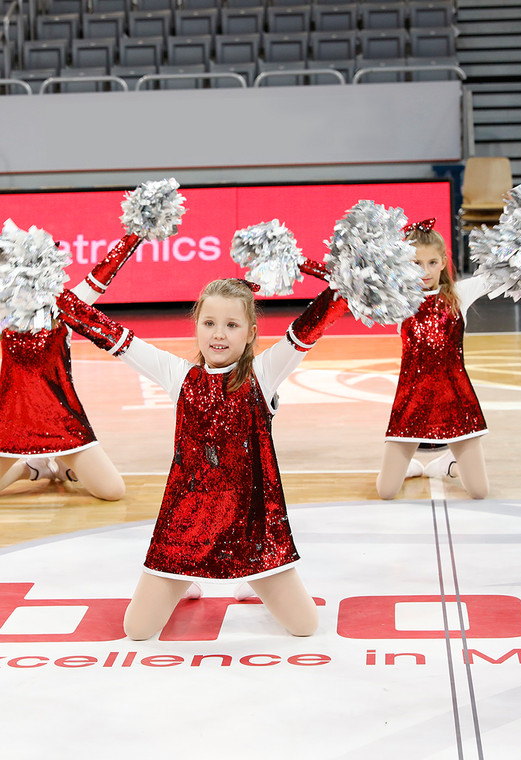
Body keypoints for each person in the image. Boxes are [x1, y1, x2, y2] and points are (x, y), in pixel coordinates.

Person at [55, 278, 350, 640]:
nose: (218, 335)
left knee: (305, 627)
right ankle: (189, 578)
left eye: (231, 325)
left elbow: (309, 326)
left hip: (253, 531)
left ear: (250, 331)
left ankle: (248, 578)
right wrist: (55, 296)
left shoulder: (263, 373)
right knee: (137, 630)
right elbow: (118, 339)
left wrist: (347, 284)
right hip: (185, 529)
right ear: (196, 325)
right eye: (209, 323)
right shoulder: (180, 376)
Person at [0, 234, 142, 501]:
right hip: (11, 420)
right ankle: (32, 469)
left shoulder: (64, 306)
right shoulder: (3, 312)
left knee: (112, 491)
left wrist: (137, 233)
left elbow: (102, 275)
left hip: (62, 420)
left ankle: (64, 464)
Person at [375, 219, 490, 501]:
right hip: (411, 402)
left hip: (457, 401)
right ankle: (411, 466)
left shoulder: (459, 295)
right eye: (416, 263)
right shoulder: (396, 302)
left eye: (431, 262)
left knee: (479, 492)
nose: (425, 271)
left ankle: (448, 464)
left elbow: (499, 275)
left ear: (443, 262)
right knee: (386, 491)